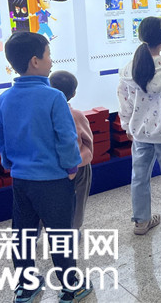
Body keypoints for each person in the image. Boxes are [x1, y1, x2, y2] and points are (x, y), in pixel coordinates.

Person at [0, 32, 89, 303]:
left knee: (23, 234)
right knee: (60, 236)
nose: (51, 61)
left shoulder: (4, 98)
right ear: (35, 61)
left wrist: (8, 162)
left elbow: (0, 136)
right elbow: (66, 138)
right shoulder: (54, 97)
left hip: (21, 179)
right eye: (48, 55)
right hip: (53, 181)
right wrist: (71, 167)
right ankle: (70, 286)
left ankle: (26, 285)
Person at [117, 17, 161, 236]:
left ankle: (141, 221)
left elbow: (124, 102)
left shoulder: (128, 69)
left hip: (140, 133)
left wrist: (127, 126)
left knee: (139, 177)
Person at [49, 70, 94, 231]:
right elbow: (88, 141)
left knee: (48, 199)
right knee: (79, 198)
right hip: (79, 165)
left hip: (52, 166)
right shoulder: (77, 115)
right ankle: (74, 228)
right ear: (74, 93)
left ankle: (41, 228)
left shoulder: (45, 115)